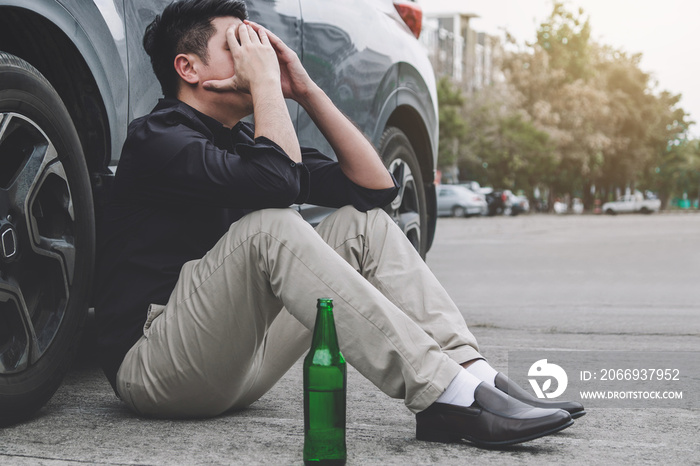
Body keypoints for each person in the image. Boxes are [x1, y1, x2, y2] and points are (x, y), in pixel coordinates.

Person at [95, 0, 584, 448]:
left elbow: (374, 190)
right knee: (272, 227)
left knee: (360, 226)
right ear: (188, 67)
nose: (256, 54)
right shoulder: (158, 139)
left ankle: (471, 376)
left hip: (236, 366)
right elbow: (278, 184)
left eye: (257, 43)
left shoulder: (244, 142)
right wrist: (266, 84)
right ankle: (445, 394)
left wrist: (303, 89)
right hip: (155, 366)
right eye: (238, 44)